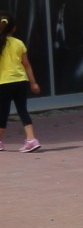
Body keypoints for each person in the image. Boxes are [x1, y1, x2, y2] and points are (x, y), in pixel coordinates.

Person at [0, 14, 40, 152]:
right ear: (14, 28)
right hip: (21, 81)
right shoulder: (19, 43)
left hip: (3, 82)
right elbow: (27, 65)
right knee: (22, 110)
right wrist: (33, 83)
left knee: (2, 112)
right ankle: (31, 139)